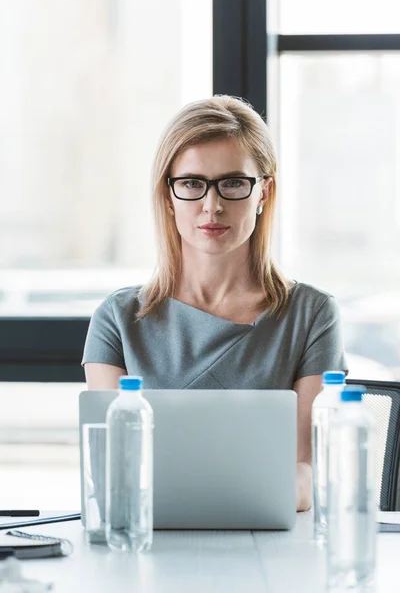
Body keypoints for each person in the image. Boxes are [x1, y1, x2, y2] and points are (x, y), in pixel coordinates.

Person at [82, 95, 348, 512]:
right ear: (167, 196)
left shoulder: (311, 314)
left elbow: (307, 469)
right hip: (148, 547)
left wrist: (237, 502)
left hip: (271, 550)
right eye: (191, 183)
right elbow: (116, 475)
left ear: (264, 192)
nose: (213, 205)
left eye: (233, 182)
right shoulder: (117, 319)